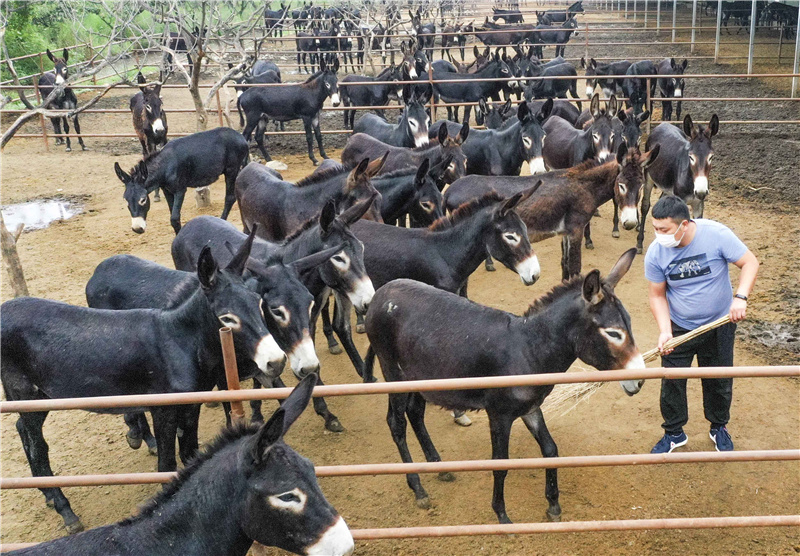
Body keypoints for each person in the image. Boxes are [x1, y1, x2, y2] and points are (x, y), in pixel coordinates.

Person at [644, 196, 759, 454]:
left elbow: (750, 262)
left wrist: (740, 297)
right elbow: (657, 295)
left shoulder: (716, 235)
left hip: (719, 323)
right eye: (654, 228)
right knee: (671, 381)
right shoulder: (655, 252)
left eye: (664, 230)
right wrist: (665, 331)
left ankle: (719, 427)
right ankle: (674, 433)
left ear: (684, 224)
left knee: (718, 379)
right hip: (679, 327)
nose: (658, 235)